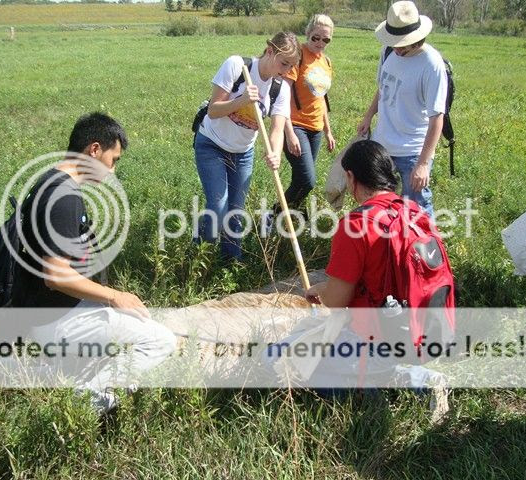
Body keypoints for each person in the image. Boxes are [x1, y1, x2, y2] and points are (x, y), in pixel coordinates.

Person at [12, 112, 176, 413]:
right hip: (57, 320)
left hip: (45, 311)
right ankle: (87, 403)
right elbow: (55, 277)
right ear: (94, 150)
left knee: (132, 318)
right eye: (113, 160)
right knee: (161, 341)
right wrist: (115, 296)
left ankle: (59, 369)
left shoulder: (50, 180)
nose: (113, 171)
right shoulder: (64, 198)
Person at [265, 140, 453, 391]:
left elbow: (336, 301)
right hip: (423, 334)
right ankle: (420, 380)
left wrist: (320, 290)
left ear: (351, 177)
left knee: (274, 359)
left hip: (374, 341)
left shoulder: (355, 226)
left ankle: (398, 388)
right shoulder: (415, 212)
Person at [194, 32, 301, 261]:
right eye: (284, 63)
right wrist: (241, 101)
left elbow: (277, 129)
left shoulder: (280, 89)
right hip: (212, 144)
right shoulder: (237, 66)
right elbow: (213, 110)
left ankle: (231, 262)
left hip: (243, 153)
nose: (286, 71)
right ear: (270, 51)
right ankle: (198, 256)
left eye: (291, 66)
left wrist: (275, 153)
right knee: (218, 206)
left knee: (236, 211)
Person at [357, 1, 447, 219]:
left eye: (402, 44)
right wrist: (368, 116)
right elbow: (383, 88)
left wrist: (423, 164)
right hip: (382, 145)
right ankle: (388, 238)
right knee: (380, 203)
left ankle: (423, 241)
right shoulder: (388, 51)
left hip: (412, 151)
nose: (397, 48)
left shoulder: (431, 64)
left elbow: (437, 118)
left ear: (417, 38)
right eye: (393, 42)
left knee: (417, 209)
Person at [276, 14, 336, 223]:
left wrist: (327, 131)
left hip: (316, 129)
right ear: (308, 33)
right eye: (316, 38)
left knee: (300, 178)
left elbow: (321, 99)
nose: (320, 43)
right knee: (307, 180)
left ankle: (291, 216)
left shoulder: (326, 62)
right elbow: (282, 97)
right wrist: (289, 133)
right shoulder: (298, 56)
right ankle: (274, 213)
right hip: (295, 126)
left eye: (326, 39)